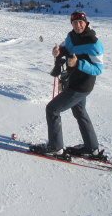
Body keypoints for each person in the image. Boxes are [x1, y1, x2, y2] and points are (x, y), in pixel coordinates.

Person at [31, 11, 104, 157]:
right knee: (80, 112)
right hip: (73, 81)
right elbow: (66, 48)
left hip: (82, 85)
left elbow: (98, 69)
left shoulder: (94, 43)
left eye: (81, 22)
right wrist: (58, 52)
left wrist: (78, 63)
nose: (78, 25)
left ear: (86, 23)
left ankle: (55, 147)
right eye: (75, 22)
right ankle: (91, 148)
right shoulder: (71, 37)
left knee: (52, 109)